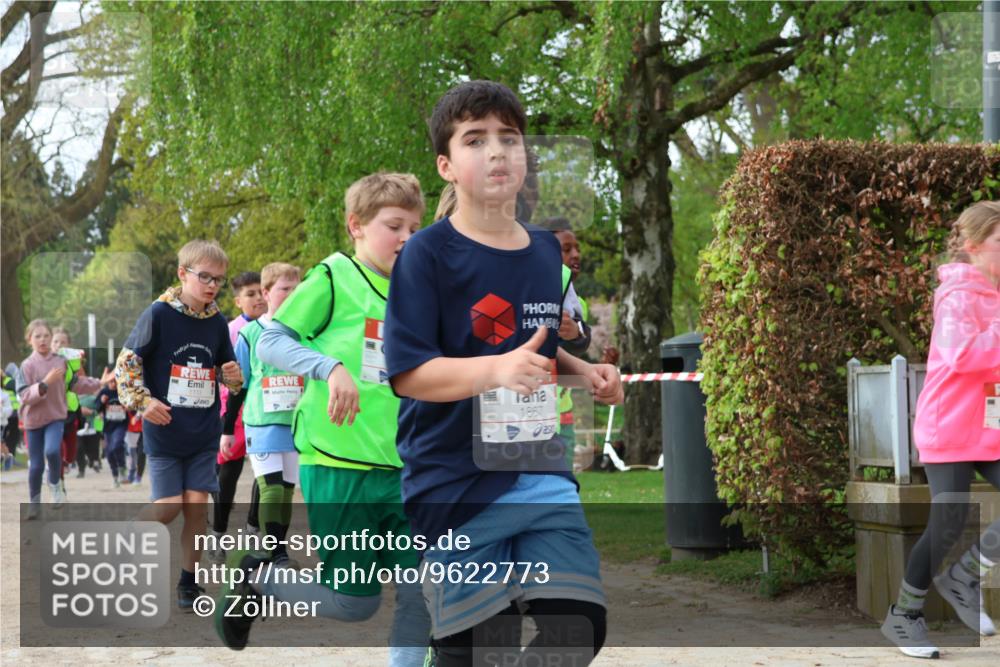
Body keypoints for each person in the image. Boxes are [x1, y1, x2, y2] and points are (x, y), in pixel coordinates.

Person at [384, 80, 623, 666]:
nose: (496, 151)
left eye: (509, 138)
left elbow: (531, 348)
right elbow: (409, 374)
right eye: (475, 139)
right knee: (475, 652)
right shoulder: (426, 254)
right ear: (446, 164)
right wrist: (496, 369)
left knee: (579, 627)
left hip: (538, 469)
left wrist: (582, 371)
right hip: (453, 484)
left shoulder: (545, 252)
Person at [214, 173, 431, 667]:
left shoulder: (418, 289)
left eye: (415, 228)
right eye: (394, 225)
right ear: (356, 225)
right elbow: (270, 339)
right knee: (355, 603)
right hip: (339, 465)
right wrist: (329, 368)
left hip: (405, 468)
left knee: (423, 587)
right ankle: (257, 577)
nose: (406, 238)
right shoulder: (335, 276)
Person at [881, 200, 1000, 658]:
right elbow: (961, 355)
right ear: (972, 246)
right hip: (949, 427)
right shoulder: (957, 295)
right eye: (998, 242)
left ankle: (965, 575)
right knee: (947, 521)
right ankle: (904, 616)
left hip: (990, 430)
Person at [115, 239, 243, 610]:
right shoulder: (158, 314)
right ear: (182, 274)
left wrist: (232, 375)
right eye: (205, 277)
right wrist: (143, 401)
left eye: (219, 279)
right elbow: (127, 364)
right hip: (166, 430)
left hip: (201, 432)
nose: (212, 285)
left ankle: (188, 582)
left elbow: (228, 378)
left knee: (196, 509)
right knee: (168, 508)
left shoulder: (218, 323)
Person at [219, 262, 302, 566]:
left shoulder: (303, 332)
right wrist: (227, 430)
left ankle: (278, 550)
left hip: (294, 423)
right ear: (267, 293)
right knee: (271, 489)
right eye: (284, 289)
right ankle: (276, 553)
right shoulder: (251, 334)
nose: (292, 294)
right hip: (261, 423)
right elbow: (237, 386)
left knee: (286, 492)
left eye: (296, 288)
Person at [16, 319, 112, 518]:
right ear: (29, 340)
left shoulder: (60, 361)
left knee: (52, 450)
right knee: (36, 465)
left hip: (55, 417)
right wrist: (45, 383)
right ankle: (34, 504)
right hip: (33, 421)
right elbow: (24, 396)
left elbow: (76, 383)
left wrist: (99, 382)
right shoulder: (26, 366)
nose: (42, 339)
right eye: (37, 336)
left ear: (51, 339)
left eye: (46, 336)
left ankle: (56, 487)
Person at [208, 271, 266, 562]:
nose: (258, 298)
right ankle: (218, 533)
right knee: (227, 477)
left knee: (266, 473)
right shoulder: (230, 330)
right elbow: (215, 369)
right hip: (231, 412)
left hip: (267, 410)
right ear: (238, 300)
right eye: (251, 294)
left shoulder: (279, 327)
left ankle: (254, 529)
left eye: (261, 292)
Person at [97, 375, 129, 487]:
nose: (113, 384)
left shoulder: (124, 391)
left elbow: (132, 405)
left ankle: (122, 466)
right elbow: (97, 408)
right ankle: (115, 476)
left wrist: (127, 406)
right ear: (107, 382)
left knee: (116, 445)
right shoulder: (104, 392)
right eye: (111, 381)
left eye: (115, 381)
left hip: (120, 424)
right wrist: (101, 401)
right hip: (108, 426)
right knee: (109, 452)